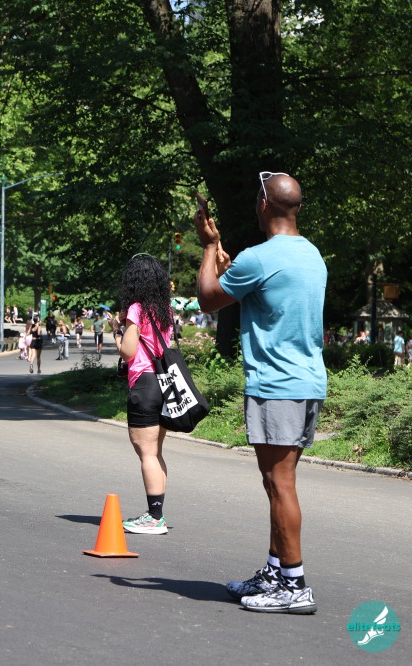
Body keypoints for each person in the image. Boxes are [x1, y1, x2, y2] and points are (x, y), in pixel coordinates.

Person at [194, 171, 325, 615]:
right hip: (307, 382)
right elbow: (266, 297)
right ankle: (275, 572)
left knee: (280, 484)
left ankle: (294, 586)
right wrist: (231, 268)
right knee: (276, 483)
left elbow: (207, 299)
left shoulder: (259, 257)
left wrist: (209, 247)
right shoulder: (311, 255)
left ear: (264, 205)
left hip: (277, 385)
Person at [111, 255, 175, 535]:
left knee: (146, 453)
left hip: (144, 384)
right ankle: (156, 512)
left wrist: (117, 331)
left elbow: (128, 351)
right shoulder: (165, 309)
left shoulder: (136, 309)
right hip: (163, 383)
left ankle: (154, 517)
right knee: (155, 452)